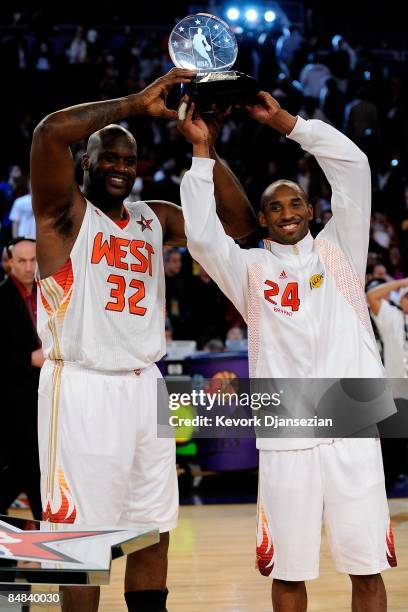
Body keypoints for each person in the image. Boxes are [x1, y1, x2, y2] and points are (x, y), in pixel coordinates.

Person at [30, 67, 255, 612]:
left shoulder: (154, 218)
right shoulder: (65, 215)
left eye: (129, 160)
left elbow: (241, 224)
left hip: (144, 385)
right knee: (78, 542)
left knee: (152, 527)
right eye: (109, 156)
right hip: (81, 386)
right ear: (84, 162)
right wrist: (136, 104)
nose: (120, 167)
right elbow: (47, 134)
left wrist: (205, 149)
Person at [178, 93, 395, 611]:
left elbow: (354, 166)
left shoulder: (340, 248)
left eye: (295, 203)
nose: (287, 213)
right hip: (286, 423)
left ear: (312, 210)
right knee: (289, 569)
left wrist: (288, 124)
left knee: (366, 565)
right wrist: (202, 154)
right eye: (274, 207)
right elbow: (204, 239)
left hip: (351, 415)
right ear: (264, 217)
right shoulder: (249, 269)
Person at [0, 237, 44, 520]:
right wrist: (29, 359)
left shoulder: (50, 292)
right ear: (9, 264)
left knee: (36, 469)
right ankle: (56, 544)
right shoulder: (1, 300)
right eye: (22, 261)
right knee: (29, 468)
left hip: (50, 396)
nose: (29, 267)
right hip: (15, 401)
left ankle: (55, 542)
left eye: (33, 260)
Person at [367, 279, 408, 492]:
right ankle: (379, 503)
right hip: (397, 397)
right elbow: (372, 296)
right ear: (400, 299)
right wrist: (402, 282)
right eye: (407, 296)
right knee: (392, 455)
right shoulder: (392, 317)